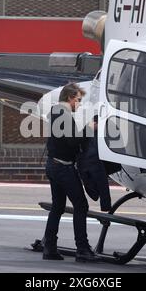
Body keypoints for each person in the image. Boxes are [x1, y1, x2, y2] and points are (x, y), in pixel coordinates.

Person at [42, 82, 99, 262]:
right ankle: (82, 248)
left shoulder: (56, 113)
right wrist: (90, 127)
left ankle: (49, 247)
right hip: (63, 167)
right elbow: (72, 141)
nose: (80, 104)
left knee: (57, 207)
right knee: (81, 206)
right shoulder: (63, 114)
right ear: (70, 98)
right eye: (78, 100)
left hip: (53, 165)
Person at [76, 115, 113, 212]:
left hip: (90, 160)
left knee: (99, 185)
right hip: (90, 160)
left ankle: (105, 206)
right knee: (99, 185)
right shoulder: (88, 130)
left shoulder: (93, 130)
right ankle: (105, 206)